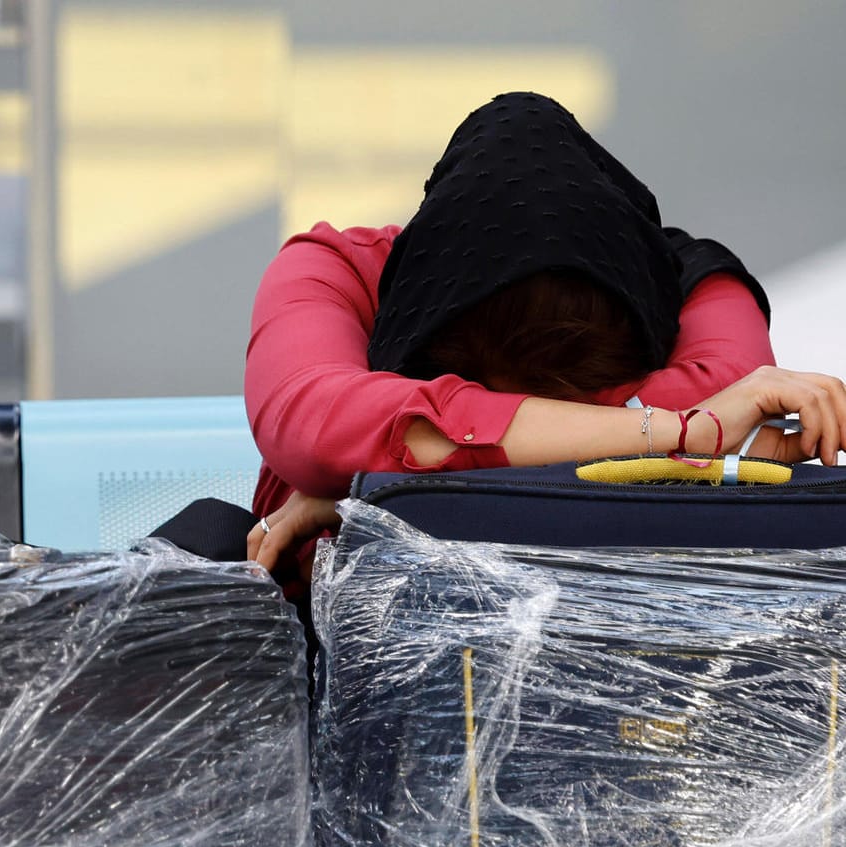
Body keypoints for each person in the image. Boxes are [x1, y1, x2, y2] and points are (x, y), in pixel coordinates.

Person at [244, 91, 846, 574]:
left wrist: (371, 495)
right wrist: (681, 431)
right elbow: (316, 429)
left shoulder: (697, 288)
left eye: (580, 401)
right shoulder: (333, 271)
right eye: (474, 384)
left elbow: (340, 452)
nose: (554, 419)